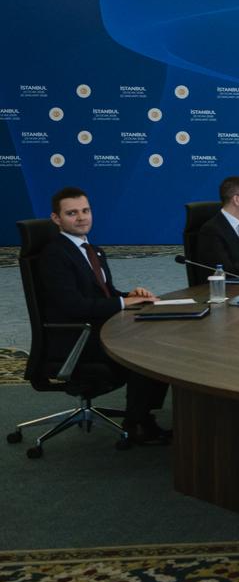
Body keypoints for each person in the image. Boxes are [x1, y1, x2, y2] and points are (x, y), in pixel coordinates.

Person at [39, 186, 171, 445]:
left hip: (96, 327)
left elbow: (103, 293)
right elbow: (74, 306)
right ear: (56, 219)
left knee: (158, 337)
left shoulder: (93, 250)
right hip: (75, 338)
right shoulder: (54, 255)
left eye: (85, 211)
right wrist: (123, 302)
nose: (81, 217)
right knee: (147, 352)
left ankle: (142, 416)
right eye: (72, 213)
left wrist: (130, 295)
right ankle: (137, 424)